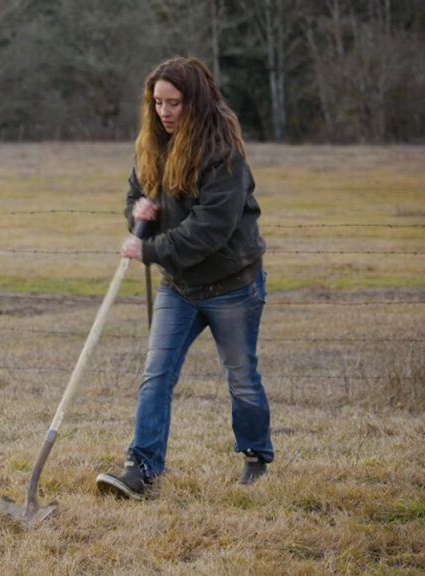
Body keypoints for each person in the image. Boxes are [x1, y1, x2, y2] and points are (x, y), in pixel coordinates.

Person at [95, 56, 272, 500]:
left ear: (194, 100)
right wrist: (139, 215)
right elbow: (138, 192)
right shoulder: (152, 143)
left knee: (240, 376)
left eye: (174, 102)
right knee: (156, 374)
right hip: (179, 285)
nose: (164, 112)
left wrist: (149, 250)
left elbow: (210, 229)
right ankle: (141, 469)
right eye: (157, 102)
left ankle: (255, 453)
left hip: (232, 284)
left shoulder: (222, 152)